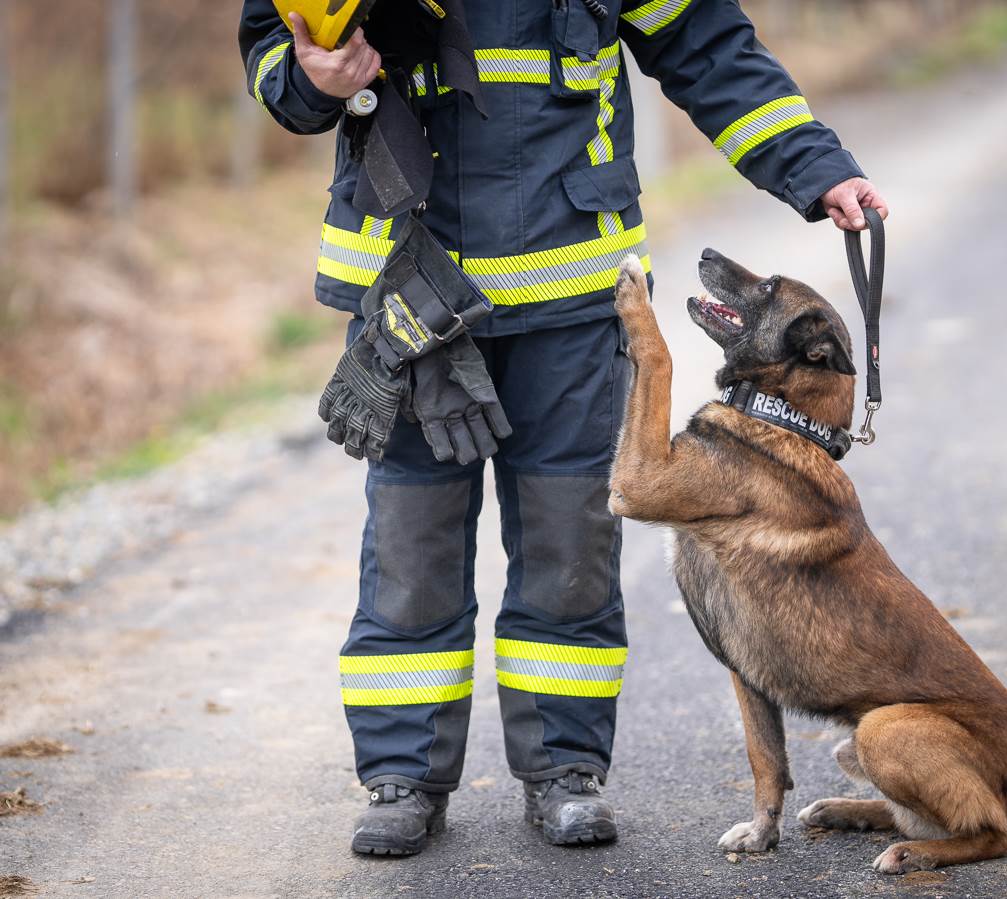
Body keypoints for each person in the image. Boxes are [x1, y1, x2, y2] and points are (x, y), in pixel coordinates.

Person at [238, 0, 888, 857]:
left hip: (572, 292)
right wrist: (310, 78)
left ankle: (564, 770)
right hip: (409, 285)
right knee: (410, 546)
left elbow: (702, 41)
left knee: (569, 541)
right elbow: (272, 43)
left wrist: (814, 166)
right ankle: (402, 776)